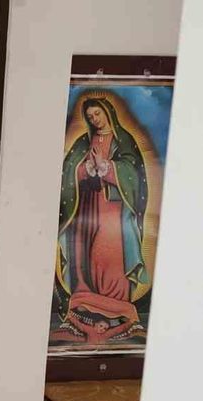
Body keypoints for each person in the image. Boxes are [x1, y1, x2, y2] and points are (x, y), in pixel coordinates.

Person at [52, 96, 149, 345]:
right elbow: (67, 172)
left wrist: (107, 167)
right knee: (85, 256)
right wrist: (85, 169)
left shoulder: (123, 140)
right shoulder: (83, 142)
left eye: (97, 113)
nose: (94, 119)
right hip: (86, 208)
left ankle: (119, 310)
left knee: (110, 256)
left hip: (114, 210)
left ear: (108, 112)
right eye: (90, 116)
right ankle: (84, 306)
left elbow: (134, 173)